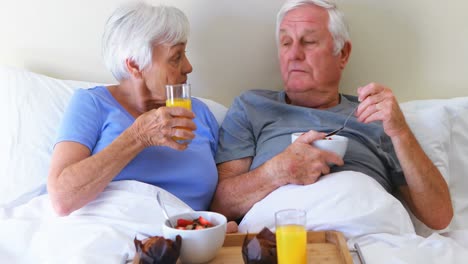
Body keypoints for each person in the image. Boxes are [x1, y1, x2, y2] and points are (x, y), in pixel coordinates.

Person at [212, 0, 453, 230]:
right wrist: (277, 171)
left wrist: (401, 132)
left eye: (309, 42)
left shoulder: (374, 115)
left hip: (370, 231)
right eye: (286, 43)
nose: (294, 54)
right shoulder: (251, 106)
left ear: (343, 54)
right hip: (284, 238)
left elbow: (439, 216)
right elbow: (220, 206)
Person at [47, 2, 219, 217]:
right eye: (176, 57)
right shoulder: (92, 104)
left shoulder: (200, 113)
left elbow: (220, 203)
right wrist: (138, 136)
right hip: (113, 234)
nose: (188, 67)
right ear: (135, 65)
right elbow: (62, 199)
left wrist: (220, 225)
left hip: (185, 240)